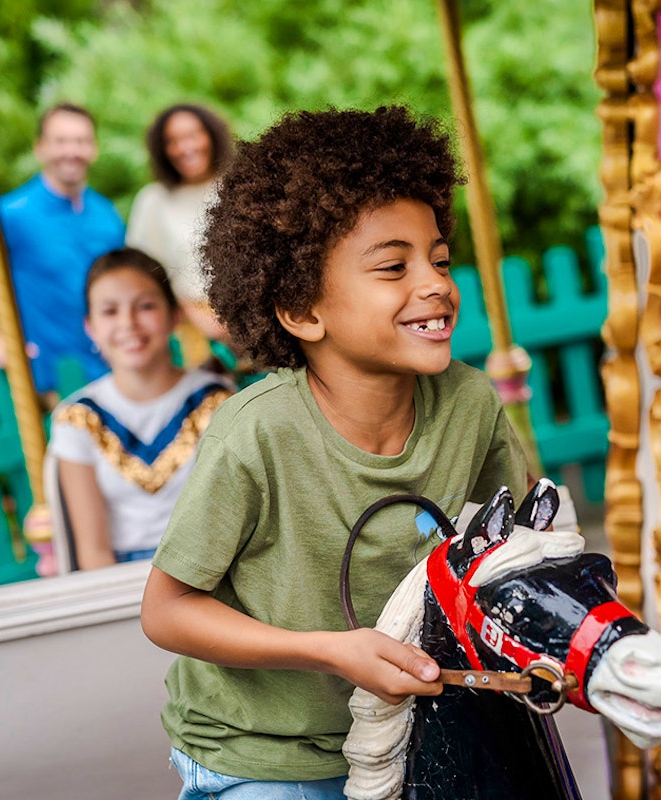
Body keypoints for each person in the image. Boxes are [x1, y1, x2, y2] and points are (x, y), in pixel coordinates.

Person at [139, 106, 530, 799]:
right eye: (393, 267)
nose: (434, 283)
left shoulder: (470, 406)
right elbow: (167, 611)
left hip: (418, 727)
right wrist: (328, 652)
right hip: (263, 749)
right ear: (301, 309)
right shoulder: (255, 433)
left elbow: (520, 552)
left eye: (439, 258)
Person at [47, 248, 233, 570]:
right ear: (90, 327)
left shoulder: (216, 401)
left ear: (174, 315)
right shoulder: (78, 418)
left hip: (207, 570)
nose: (128, 323)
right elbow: (93, 551)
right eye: (109, 311)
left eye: (145, 306)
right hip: (119, 577)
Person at [0, 103, 126, 396]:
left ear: (94, 149)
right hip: (54, 382)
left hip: (115, 370)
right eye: (60, 141)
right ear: (40, 148)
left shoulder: (106, 214)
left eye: (81, 141)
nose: (71, 151)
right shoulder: (12, 214)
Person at [125, 104, 235, 361]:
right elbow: (142, 274)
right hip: (189, 333)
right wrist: (192, 313)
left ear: (211, 136)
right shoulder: (154, 200)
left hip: (250, 325)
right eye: (173, 140)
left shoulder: (238, 187)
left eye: (193, 135)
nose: (186, 147)